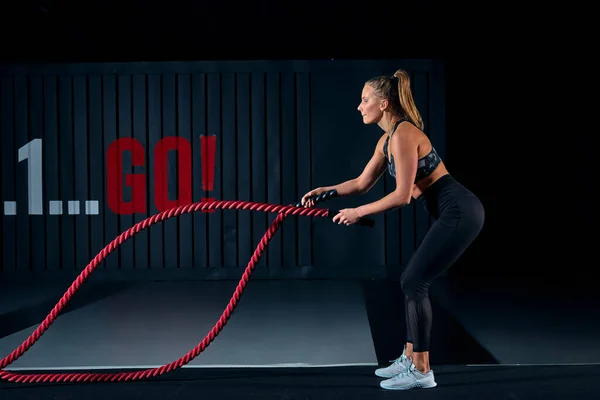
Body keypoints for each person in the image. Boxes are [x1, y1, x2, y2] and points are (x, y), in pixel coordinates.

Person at [301, 69, 485, 390]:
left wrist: (357, 212)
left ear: (384, 104)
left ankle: (422, 369)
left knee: (414, 280)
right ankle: (410, 357)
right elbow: (361, 183)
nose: (360, 106)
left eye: (365, 100)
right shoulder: (386, 141)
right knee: (413, 281)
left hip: (459, 209)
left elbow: (401, 196)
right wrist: (324, 191)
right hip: (451, 211)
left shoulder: (403, 134)